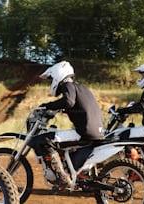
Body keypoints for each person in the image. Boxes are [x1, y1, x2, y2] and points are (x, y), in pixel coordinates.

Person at [29, 60, 104, 188]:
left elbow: (68, 102)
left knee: (43, 140)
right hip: (98, 131)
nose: (51, 81)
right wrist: (58, 109)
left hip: (84, 132)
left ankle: (62, 177)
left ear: (58, 74)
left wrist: (47, 106)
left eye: (51, 78)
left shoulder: (67, 86)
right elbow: (74, 105)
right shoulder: (82, 88)